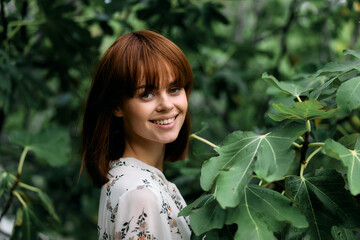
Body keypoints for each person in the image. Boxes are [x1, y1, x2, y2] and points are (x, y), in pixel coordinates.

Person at [81, 30, 193, 240]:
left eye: (174, 89)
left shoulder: (127, 179)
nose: (167, 105)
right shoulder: (140, 194)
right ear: (117, 105)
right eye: (147, 94)